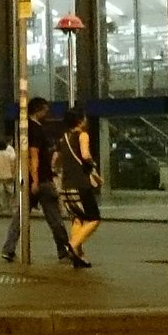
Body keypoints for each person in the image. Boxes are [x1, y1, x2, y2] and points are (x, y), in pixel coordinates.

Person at [1, 99, 74, 264]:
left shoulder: (26, 128)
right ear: (37, 111)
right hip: (41, 180)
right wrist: (35, 180)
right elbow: (33, 156)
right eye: (45, 110)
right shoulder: (35, 129)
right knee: (54, 217)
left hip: (32, 179)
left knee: (20, 217)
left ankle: (8, 249)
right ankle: (64, 249)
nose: (47, 114)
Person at [57, 109, 101, 268]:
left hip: (66, 186)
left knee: (77, 219)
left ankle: (79, 255)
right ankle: (72, 244)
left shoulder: (63, 139)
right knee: (94, 218)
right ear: (80, 121)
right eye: (85, 118)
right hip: (80, 184)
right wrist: (92, 164)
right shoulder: (82, 135)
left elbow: (56, 159)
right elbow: (85, 155)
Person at [0, 137, 16, 213]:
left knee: (1, 194)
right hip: (9, 177)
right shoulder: (9, 155)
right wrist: (13, 174)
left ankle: (3, 208)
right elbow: (13, 166)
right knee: (10, 193)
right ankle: (10, 207)